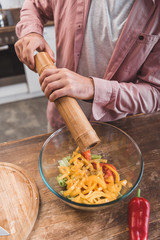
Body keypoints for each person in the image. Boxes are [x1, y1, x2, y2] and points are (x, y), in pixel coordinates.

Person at [15, 0, 160, 131]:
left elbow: (155, 93)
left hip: (118, 128)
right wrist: (31, 32)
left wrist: (93, 88)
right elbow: (34, 5)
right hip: (61, 118)